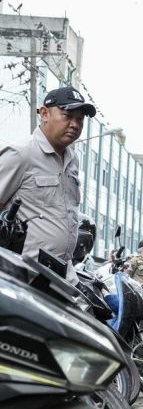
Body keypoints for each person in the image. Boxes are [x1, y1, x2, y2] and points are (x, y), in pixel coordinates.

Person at [0, 87, 96, 271]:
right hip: (24, 273)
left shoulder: (72, 160)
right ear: (44, 113)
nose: (75, 124)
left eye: (79, 119)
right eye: (67, 115)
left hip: (62, 273)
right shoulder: (20, 153)